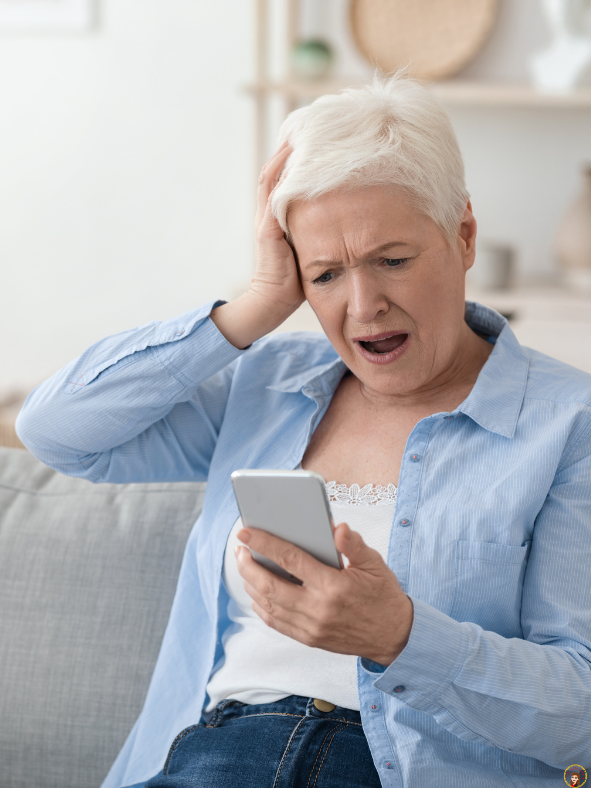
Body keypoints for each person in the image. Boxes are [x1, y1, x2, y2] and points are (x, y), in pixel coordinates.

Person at [16, 74, 591, 788]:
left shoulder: (569, 423)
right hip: (219, 755)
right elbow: (58, 430)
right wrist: (253, 307)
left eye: (392, 260)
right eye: (324, 275)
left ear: (463, 236)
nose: (363, 305)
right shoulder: (268, 386)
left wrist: (401, 637)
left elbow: (580, 711)